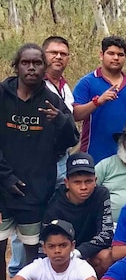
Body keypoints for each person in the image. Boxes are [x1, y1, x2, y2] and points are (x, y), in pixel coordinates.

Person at [0, 43, 78, 280]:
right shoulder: (2, 95)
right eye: (26, 63)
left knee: (32, 249)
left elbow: (71, 138)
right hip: (2, 186)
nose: (31, 68)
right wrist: (6, 176)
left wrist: (60, 121)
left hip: (34, 189)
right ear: (16, 66)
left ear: (45, 68)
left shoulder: (52, 100)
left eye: (37, 63)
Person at [72, 35, 126, 163]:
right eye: (111, 53)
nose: (116, 58)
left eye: (120, 54)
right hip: (94, 155)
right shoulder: (87, 83)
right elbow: (75, 115)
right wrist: (97, 102)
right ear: (101, 55)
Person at [43, 153, 114, 276]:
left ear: (95, 181)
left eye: (88, 181)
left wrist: (78, 252)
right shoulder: (54, 202)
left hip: (91, 252)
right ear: (67, 182)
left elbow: (106, 234)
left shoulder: (101, 194)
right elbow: (46, 240)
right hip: (62, 255)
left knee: (106, 256)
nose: (83, 187)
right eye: (77, 182)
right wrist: (66, 254)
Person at [42, 36, 74, 180]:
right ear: (42, 55)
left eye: (63, 54)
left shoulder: (65, 87)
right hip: (41, 159)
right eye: (53, 53)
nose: (58, 57)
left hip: (63, 156)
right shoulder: (34, 86)